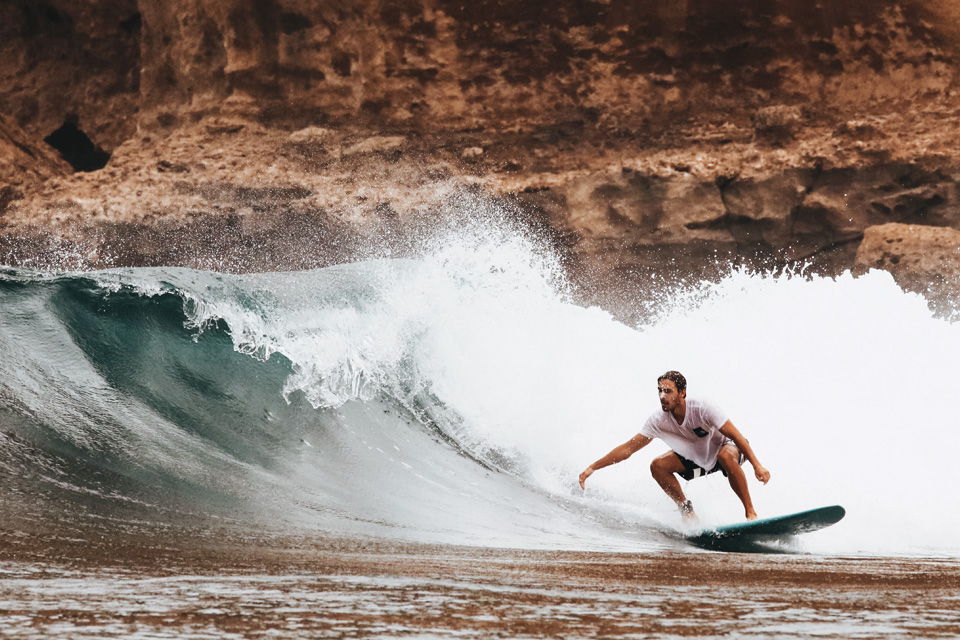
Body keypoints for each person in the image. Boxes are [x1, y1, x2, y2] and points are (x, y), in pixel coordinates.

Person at [578, 371, 771, 522]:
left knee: (726, 455)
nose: (662, 396)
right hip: (700, 459)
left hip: (729, 448)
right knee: (658, 465)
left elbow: (736, 435)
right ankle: (687, 512)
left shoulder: (702, 407)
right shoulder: (658, 420)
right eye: (659, 391)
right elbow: (628, 448)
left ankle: (750, 514)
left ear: (682, 392)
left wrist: (757, 465)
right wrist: (593, 467)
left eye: (668, 391)